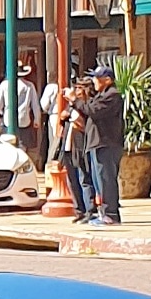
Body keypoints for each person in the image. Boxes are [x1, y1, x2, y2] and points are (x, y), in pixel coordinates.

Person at [78, 61, 125, 224]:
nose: (94, 81)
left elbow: (93, 111)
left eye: (97, 78)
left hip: (107, 143)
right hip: (97, 143)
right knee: (99, 181)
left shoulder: (112, 95)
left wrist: (75, 101)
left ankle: (110, 214)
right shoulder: (100, 95)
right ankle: (103, 212)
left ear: (107, 79)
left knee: (106, 180)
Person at [0, 57, 42, 167]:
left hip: (8, 119)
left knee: (8, 144)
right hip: (24, 120)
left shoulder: (5, 84)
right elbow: (35, 105)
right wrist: (37, 119)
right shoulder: (29, 86)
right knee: (23, 147)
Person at [58, 77, 93, 221]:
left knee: (84, 179)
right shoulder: (72, 105)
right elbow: (64, 119)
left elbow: (86, 124)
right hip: (68, 146)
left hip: (81, 146)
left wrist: (78, 122)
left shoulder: (87, 105)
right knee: (72, 180)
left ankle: (90, 210)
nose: (76, 91)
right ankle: (79, 210)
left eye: (79, 88)